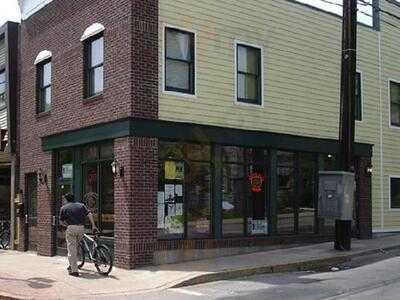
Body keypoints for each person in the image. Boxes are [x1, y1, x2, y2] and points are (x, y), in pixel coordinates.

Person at [59, 193, 98, 277]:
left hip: (71, 228)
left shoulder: (64, 208)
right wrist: (93, 225)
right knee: (76, 247)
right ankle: (72, 264)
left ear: (66, 199)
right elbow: (89, 214)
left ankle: (74, 271)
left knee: (71, 249)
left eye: (64, 199)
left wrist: (67, 226)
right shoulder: (81, 205)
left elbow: (61, 221)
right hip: (81, 228)